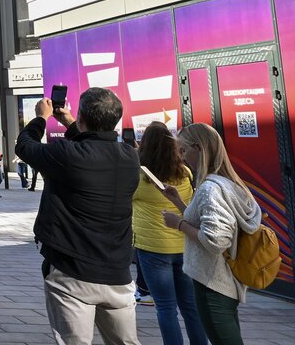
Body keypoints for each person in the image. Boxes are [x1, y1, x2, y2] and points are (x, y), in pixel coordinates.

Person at [16, 88, 141, 345]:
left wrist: (41, 118)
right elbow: (96, 148)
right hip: (117, 272)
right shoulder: (130, 157)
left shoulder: (66, 154)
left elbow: (25, 146)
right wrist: (72, 123)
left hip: (72, 270)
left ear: (82, 116)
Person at [161, 123, 262, 345]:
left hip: (212, 283)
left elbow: (215, 240)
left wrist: (178, 224)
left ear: (199, 149)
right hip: (227, 279)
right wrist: (178, 202)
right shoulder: (230, 184)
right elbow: (209, 222)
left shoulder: (210, 188)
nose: (183, 157)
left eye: (184, 150)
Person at [131, 122, 207, 345]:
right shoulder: (185, 172)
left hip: (153, 249)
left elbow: (126, 201)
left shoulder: (138, 176)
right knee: (190, 307)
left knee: (165, 308)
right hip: (184, 245)